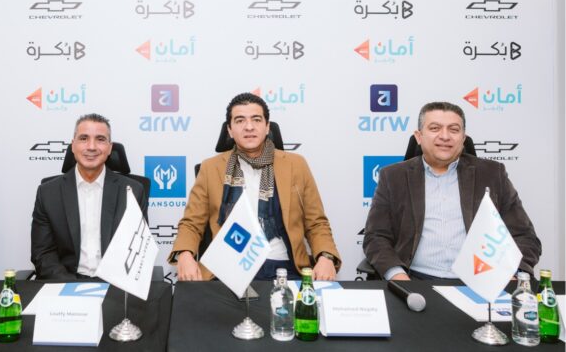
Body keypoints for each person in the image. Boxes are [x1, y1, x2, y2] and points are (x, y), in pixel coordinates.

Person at [170, 93, 341, 281]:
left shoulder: (296, 165)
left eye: (256, 119)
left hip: (283, 267)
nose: (249, 127)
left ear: (267, 127)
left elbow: (316, 222)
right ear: (229, 130)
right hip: (227, 268)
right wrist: (185, 254)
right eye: (240, 120)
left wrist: (326, 257)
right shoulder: (211, 168)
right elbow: (192, 223)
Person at [363, 101, 541, 280]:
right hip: (413, 280)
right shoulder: (393, 177)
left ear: (463, 138)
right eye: (435, 128)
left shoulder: (493, 174)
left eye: (454, 130)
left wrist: (512, 273)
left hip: (482, 281)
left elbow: (524, 236)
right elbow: (376, 237)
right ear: (419, 136)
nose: (445, 136)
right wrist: (397, 275)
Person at [31, 114, 147, 280]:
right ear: (73, 146)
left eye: (100, 139)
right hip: (65, 282)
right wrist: (72, 287)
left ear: (109, 148)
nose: (91, 147)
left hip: (116, 284)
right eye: (84, 138)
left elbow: (138, 250)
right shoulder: (48, 193)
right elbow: (43, 254)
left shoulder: (133, 191)